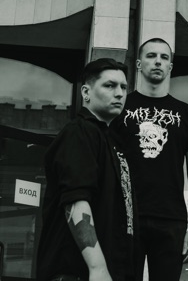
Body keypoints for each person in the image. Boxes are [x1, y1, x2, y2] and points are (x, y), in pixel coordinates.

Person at [113, 38, 188, 281]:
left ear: (170, 67)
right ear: (139, 64)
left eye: (164, 57)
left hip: (171, 219)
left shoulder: (186, 114)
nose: (158, 61)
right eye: (151, 56)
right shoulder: (119, 108)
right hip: (125, 217)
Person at [36, 58, 135, 281]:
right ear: (86, 92)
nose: (119, 93)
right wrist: (97, 267)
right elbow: (75, 200)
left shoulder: (110, 140)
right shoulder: (79, 132)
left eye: (123, 87)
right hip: (76, 273)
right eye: (109, 85)